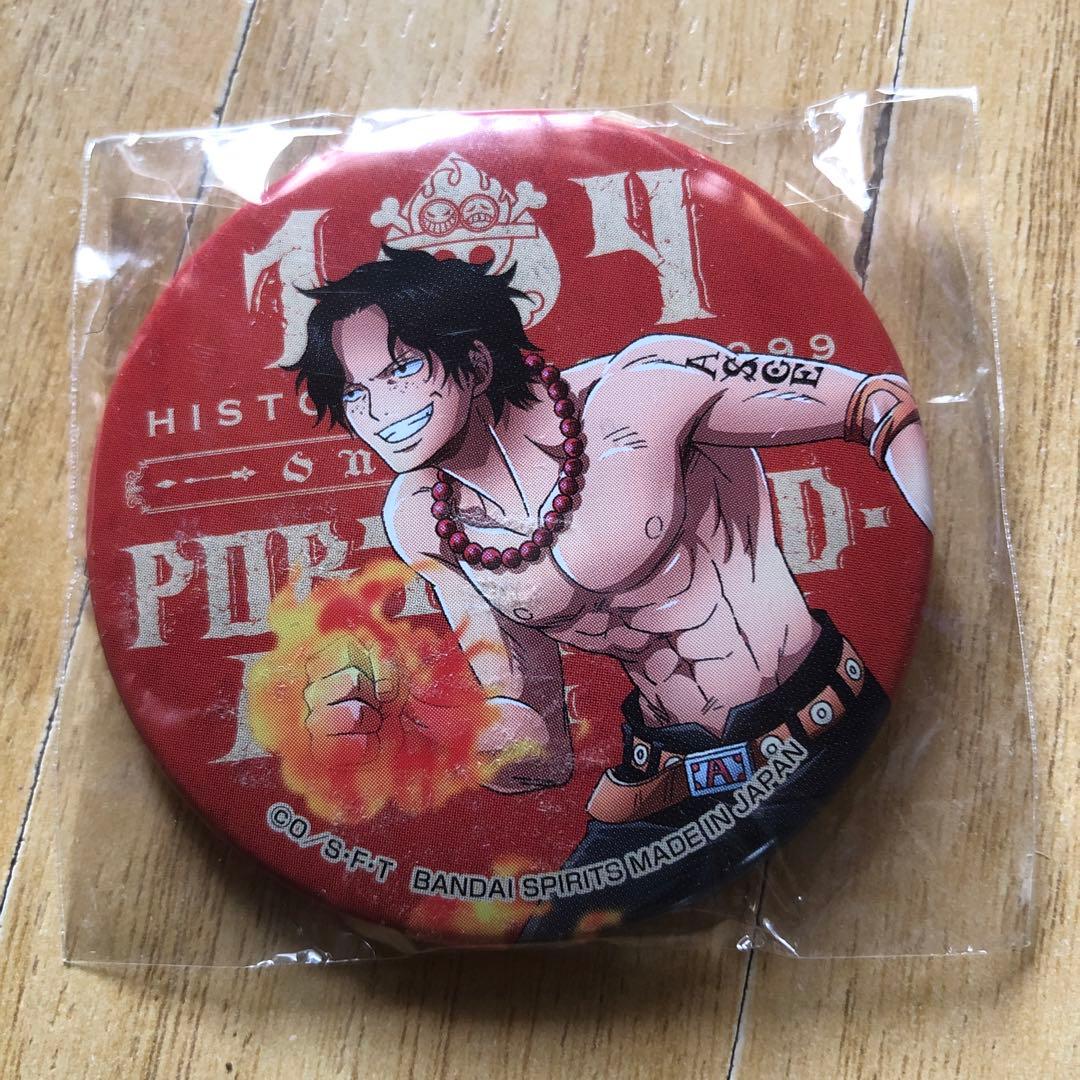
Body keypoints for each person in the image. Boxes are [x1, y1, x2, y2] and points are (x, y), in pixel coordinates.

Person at [284, 245, 928, 938]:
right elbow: (538, 746)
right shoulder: (422, 518)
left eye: (402, 369)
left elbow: (879, 406)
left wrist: (956, 558)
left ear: (474, 362)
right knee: (545, 950)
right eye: (355, 393)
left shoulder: (643, 389)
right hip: (662, 794)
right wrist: (424, 721)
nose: (379, 410)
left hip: (827, 738)